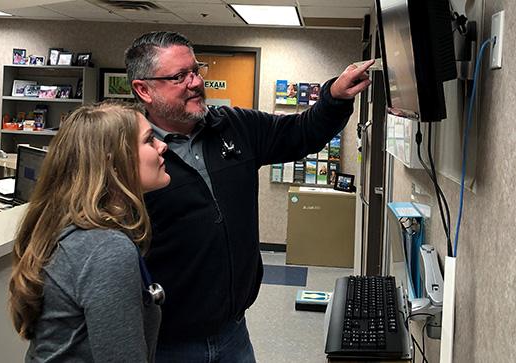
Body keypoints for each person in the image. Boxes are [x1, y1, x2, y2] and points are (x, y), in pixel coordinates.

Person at [125, 31, 373, 362]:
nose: (196, 82)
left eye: (196, 70)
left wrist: (335, 96)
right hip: (165, 342)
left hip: (233, 334)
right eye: (179, 77)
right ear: (144, 90)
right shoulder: (126, 153)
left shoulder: (234, 126)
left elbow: (300, 132)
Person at [8, 101, 169, 362]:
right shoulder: (106, 249)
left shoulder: (69, 224)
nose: (163, 146)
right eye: (149, 140)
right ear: (114, 163)